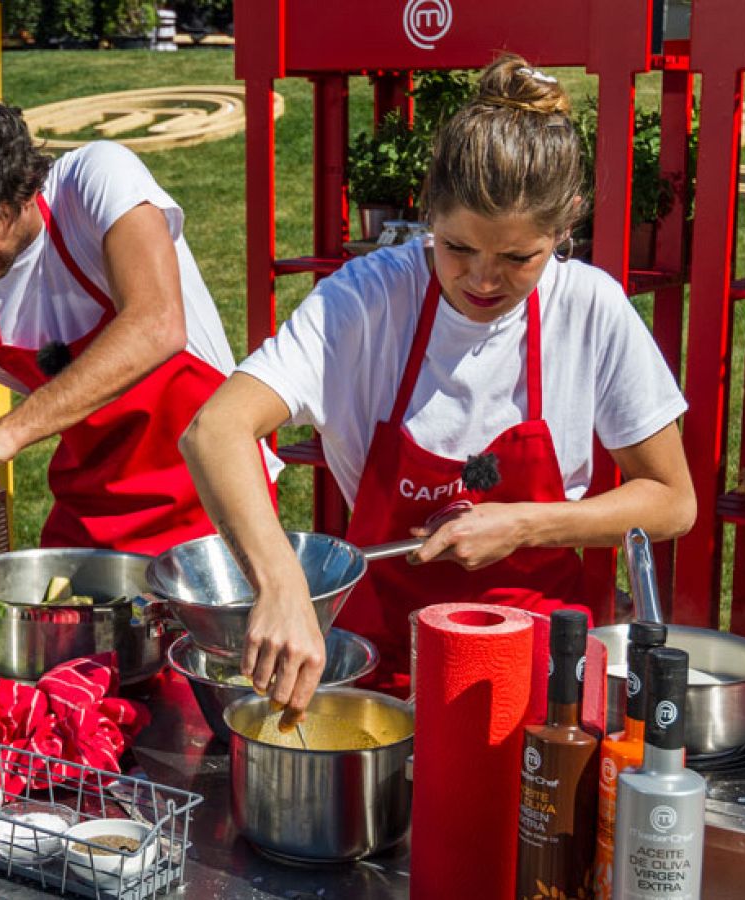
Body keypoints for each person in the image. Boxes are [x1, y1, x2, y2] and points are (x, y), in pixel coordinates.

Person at [179, 55, 695, 723]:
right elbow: (214, 429)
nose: (483, 280)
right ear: (429, 208)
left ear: (565, 225)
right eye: (457, 248)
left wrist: (526, 524)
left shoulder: (590, 308)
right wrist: (281, 587)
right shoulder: (368, 301)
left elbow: (671, 501)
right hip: (382, 668)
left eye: (517, 258)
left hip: (537, 677)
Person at [0, 88, 276, 567]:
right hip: (89, 527)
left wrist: (8, 432)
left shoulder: (96, 179)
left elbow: (157, 324)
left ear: (24, 187)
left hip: (218, 502)